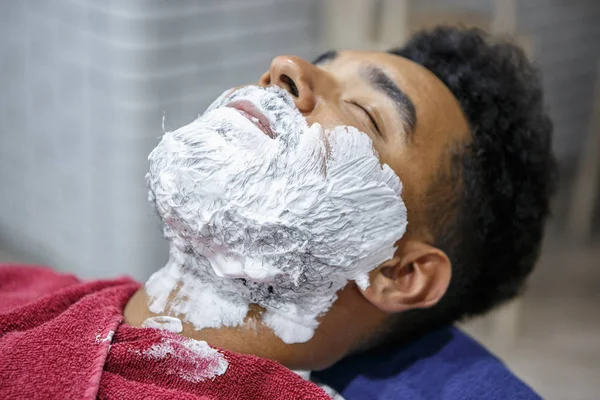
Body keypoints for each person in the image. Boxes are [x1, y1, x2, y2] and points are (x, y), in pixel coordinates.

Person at [0, 26, 556, 399]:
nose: (285, 68)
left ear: (399, 272)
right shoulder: (26, 292)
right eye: (319, 66)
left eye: (365, 110)